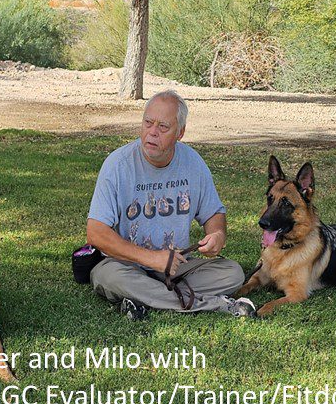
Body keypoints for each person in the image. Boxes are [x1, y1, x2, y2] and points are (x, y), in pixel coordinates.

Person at [86, 90, 255, 319]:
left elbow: (214, 213)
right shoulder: (117, 165)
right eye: (148, 123)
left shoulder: (192, 163)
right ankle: (214, 304)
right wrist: (150, 258)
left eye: (163, 127)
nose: (152, 133)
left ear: (180, 132)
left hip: (176, 266)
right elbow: (96, 233)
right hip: (126, 265)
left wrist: (217, 234)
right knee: (108, 277)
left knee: (232, 273)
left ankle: (141, 299)